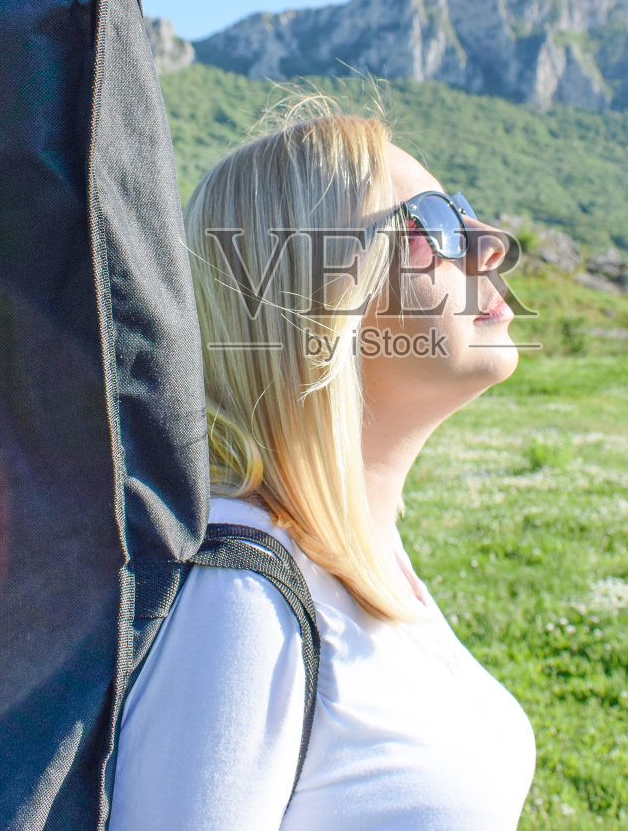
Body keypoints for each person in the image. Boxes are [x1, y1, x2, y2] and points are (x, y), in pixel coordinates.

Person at [107, 96, 537, 829]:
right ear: (316, 292)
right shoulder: (241, 601)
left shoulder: (354, 546)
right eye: (436, 219)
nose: (491, 242)